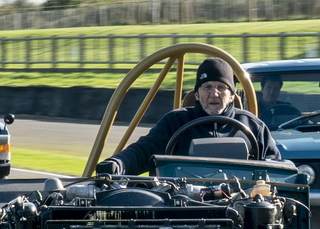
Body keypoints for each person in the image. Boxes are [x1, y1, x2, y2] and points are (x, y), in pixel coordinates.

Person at [99, 56, 281, 174]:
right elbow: (143, 151)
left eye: (221, 88)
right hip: (184, 209)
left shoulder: (253, 126)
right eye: (207, 87)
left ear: (232, 95)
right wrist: (118, 163)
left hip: (240, 209)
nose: (214, 94)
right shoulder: (175, 121)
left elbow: (275, 166)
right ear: (197, 94)